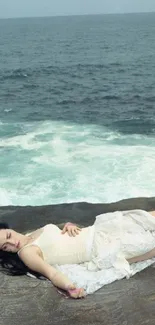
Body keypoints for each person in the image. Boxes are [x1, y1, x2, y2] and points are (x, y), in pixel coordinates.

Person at [1, 209, 155, 299]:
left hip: (99, 230)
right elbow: (52, 273)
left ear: (9, 229)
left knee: (144, 217)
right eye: (5, 247)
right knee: (147, 245)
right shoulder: (26, 253)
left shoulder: (31, 233)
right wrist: (70, 288)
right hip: (101, 248)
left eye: (9, 236)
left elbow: (55, 233)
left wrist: (68, 225)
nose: (13, 243)